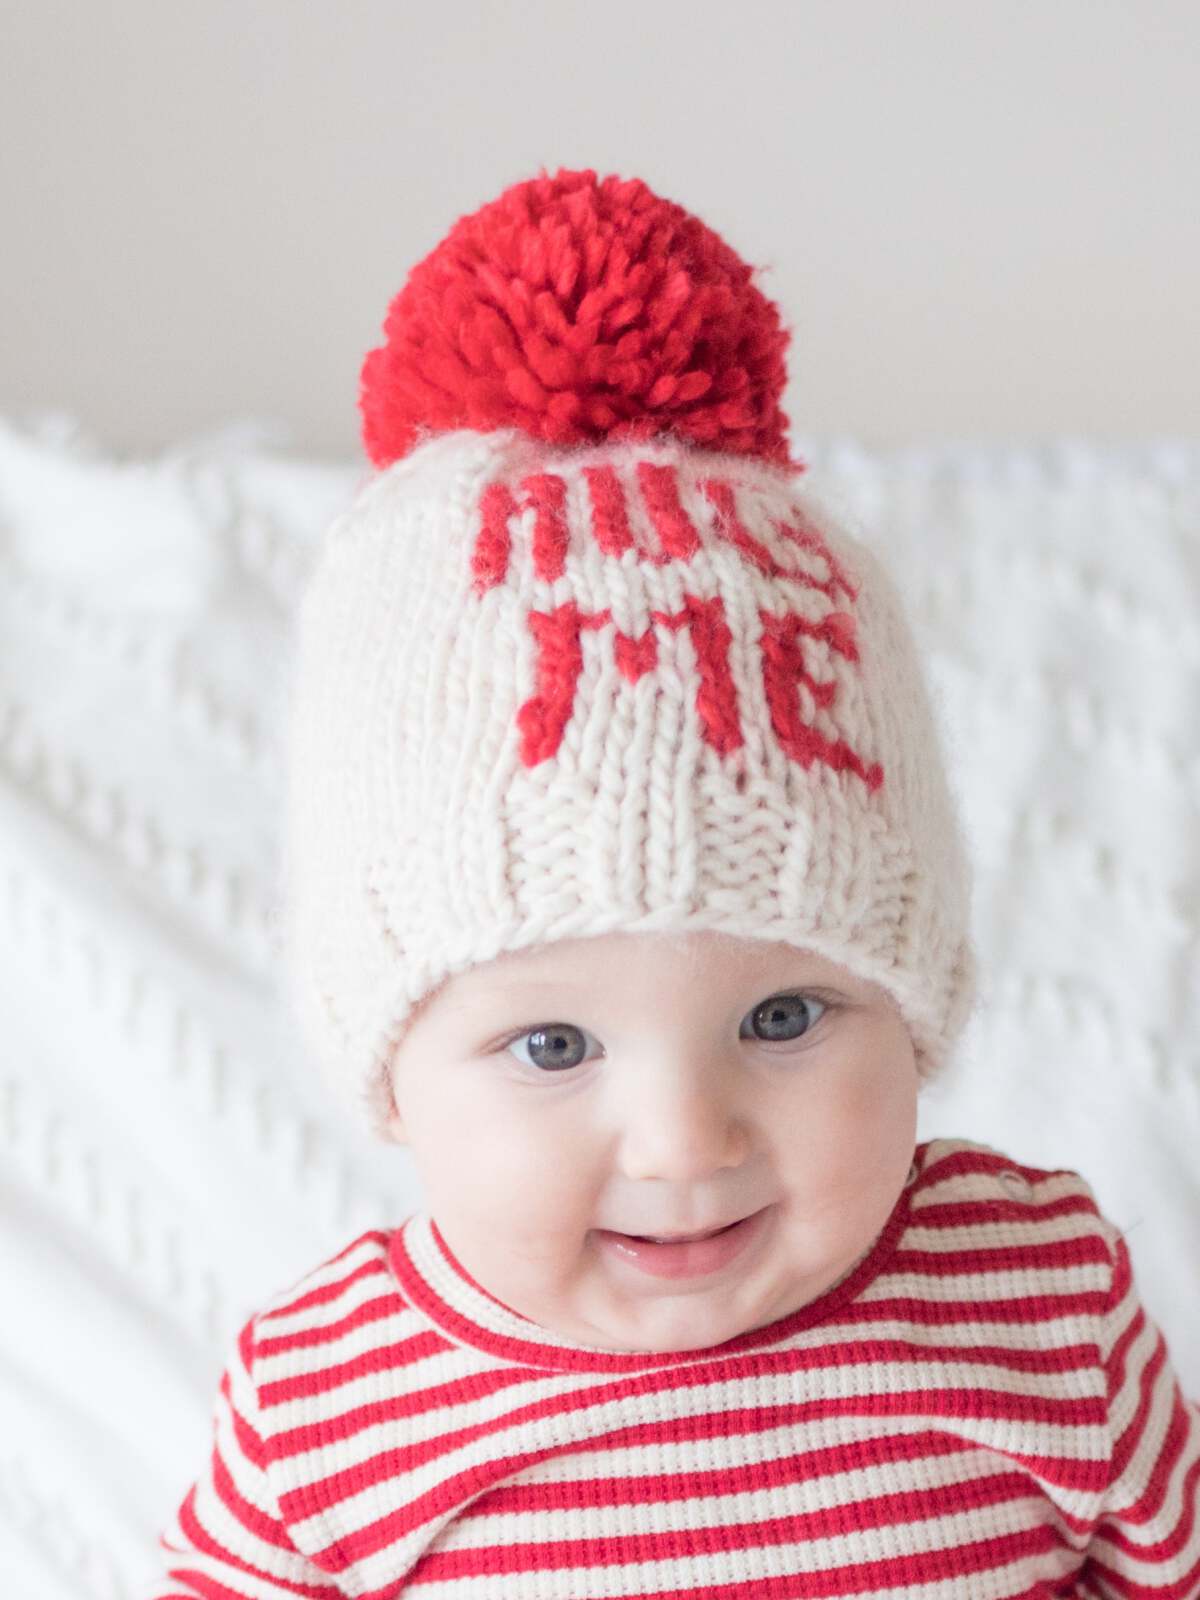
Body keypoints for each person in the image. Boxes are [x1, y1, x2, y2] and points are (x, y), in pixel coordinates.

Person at [148, 166, 1200, 1598]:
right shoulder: (323, 1414)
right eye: (553, 1044)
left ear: (916, 1009)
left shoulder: (1035, 1302)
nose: (684, 1142)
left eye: (783, 1018)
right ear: (392, 1077)